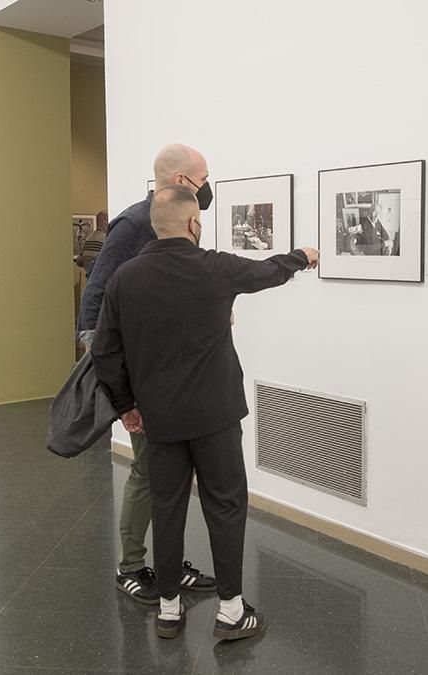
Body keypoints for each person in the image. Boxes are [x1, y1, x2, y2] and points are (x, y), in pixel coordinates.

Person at [92, 185, 319, 641]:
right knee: (226, 505)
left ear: (155, 226)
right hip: (215, 417)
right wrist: (302, 255)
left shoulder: (125, 279)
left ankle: (170, 609)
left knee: (167, 505)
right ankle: (231, 611)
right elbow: (267, 271)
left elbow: (105, 352)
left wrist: (126, 407)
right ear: (194, 224)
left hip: (160, 419)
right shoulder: (214, 268)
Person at [76, 145, 218, 605]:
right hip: (138, 370)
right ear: (179, 179)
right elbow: (98, 292)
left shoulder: (178, 220)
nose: (207, 186)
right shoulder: (136, 223)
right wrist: (109, 375)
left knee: (168, 470)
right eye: (202, 177)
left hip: (168, 367)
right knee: (147, 467)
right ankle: (132, 567)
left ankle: (169, 565)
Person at [75, 209, 110, 273]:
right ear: (105, 223)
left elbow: (79, 261)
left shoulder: (88, 239)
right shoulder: (107, 240)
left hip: (90, 278)